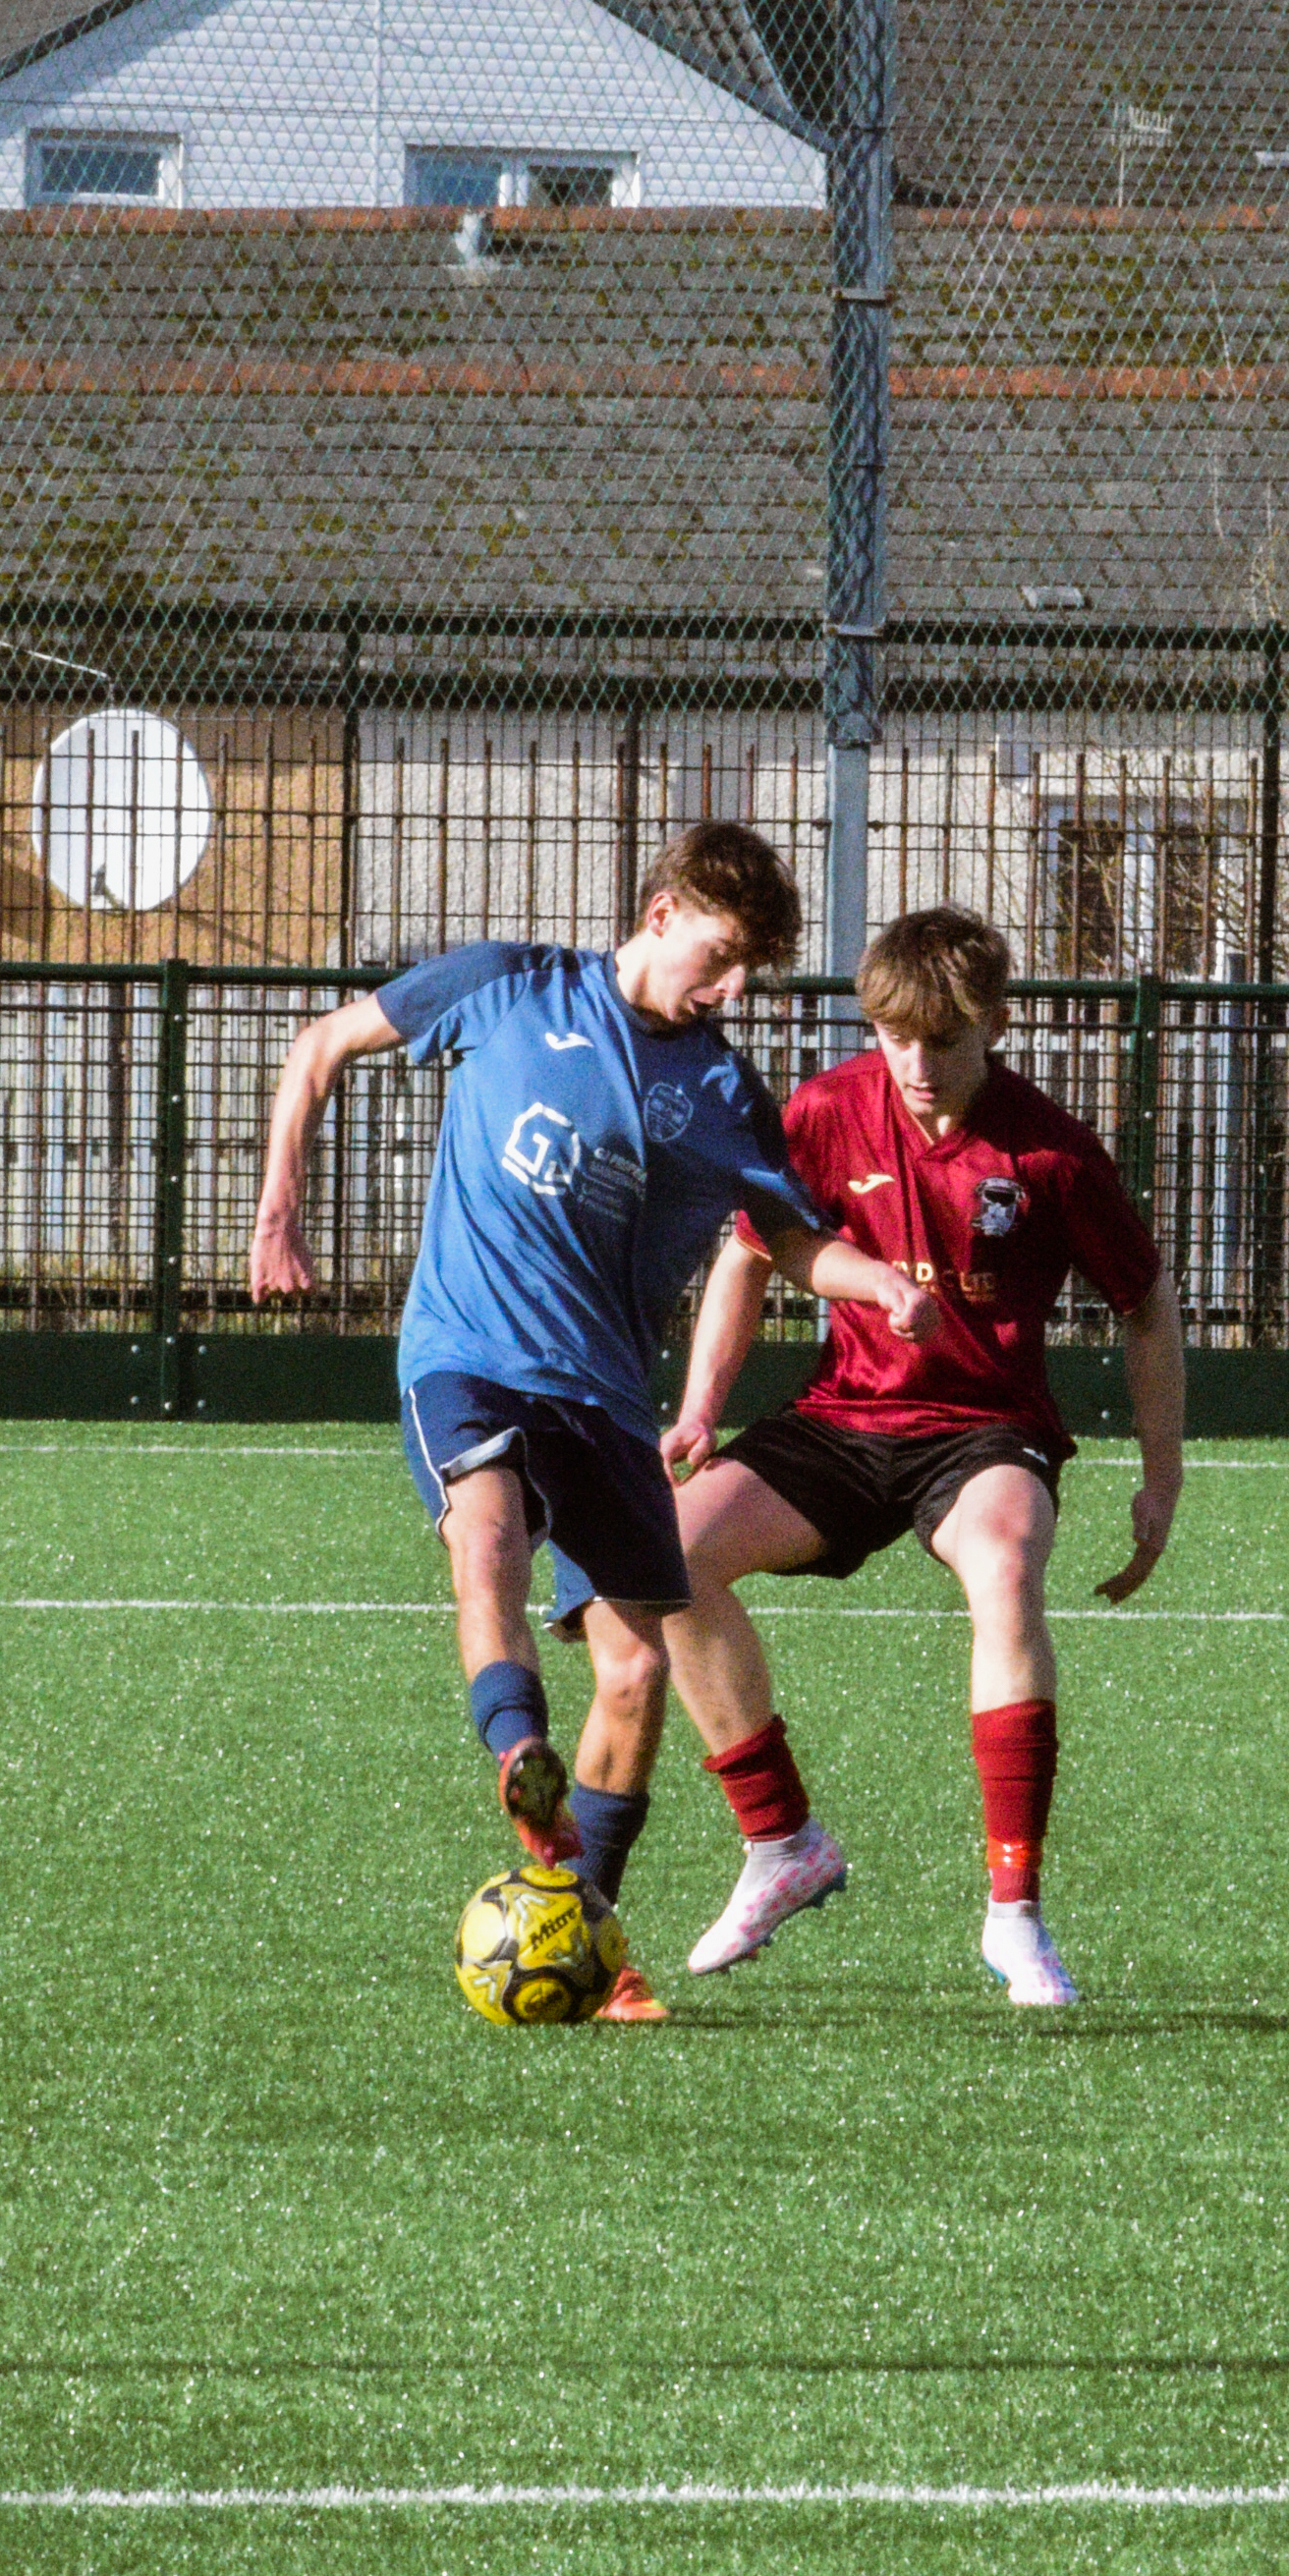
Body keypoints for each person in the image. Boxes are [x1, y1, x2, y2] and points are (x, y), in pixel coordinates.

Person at [247, 822, 935, 2022]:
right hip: (467, 1353)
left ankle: (586, 1933)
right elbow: (319, 1049)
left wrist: (872, 1281)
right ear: (661, 912)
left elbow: (787, 1238)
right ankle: (518, 1749)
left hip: (606, 1398)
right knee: (487, 1537)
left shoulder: (722, 1091)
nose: (727, 992)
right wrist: (278, 1209)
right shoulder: (506, 985)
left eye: (746, 975)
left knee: (631, 1675)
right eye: (716, 959)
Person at [658, 905, 1185, 2007]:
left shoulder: (1048, 1148)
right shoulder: (823, 1110)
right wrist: (702, 1408)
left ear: (994, 1023)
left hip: (986, 1431)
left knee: (1003, 1568)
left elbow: (1146, 1307)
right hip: (845, 1418)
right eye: (895, 1036)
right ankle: (783, 1843)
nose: (917, 1063)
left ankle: (1015, 1918)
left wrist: (1160, 1476)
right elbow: (751, 1258)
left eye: (943, 1040)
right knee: (668, 1555)